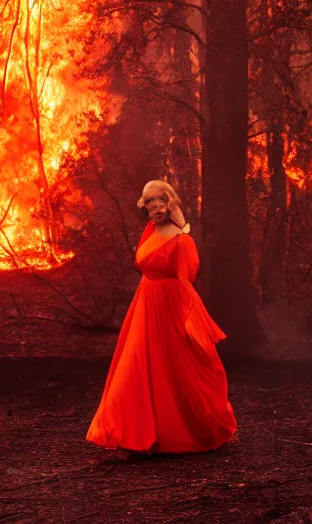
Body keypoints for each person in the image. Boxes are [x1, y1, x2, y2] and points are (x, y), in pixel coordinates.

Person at [86, 180, 237, 454]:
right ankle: (131, 434)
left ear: (171, 203)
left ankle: (179, 433)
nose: (156, 206)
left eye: (161, 201)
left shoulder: (182, 239)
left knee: (173, 368)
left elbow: (186, 281)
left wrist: (188, 321)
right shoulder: (149, 232)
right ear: (145, 206)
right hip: (144, 305)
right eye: (151, 201)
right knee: (136, 365)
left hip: (170, 308)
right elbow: (144, 266)